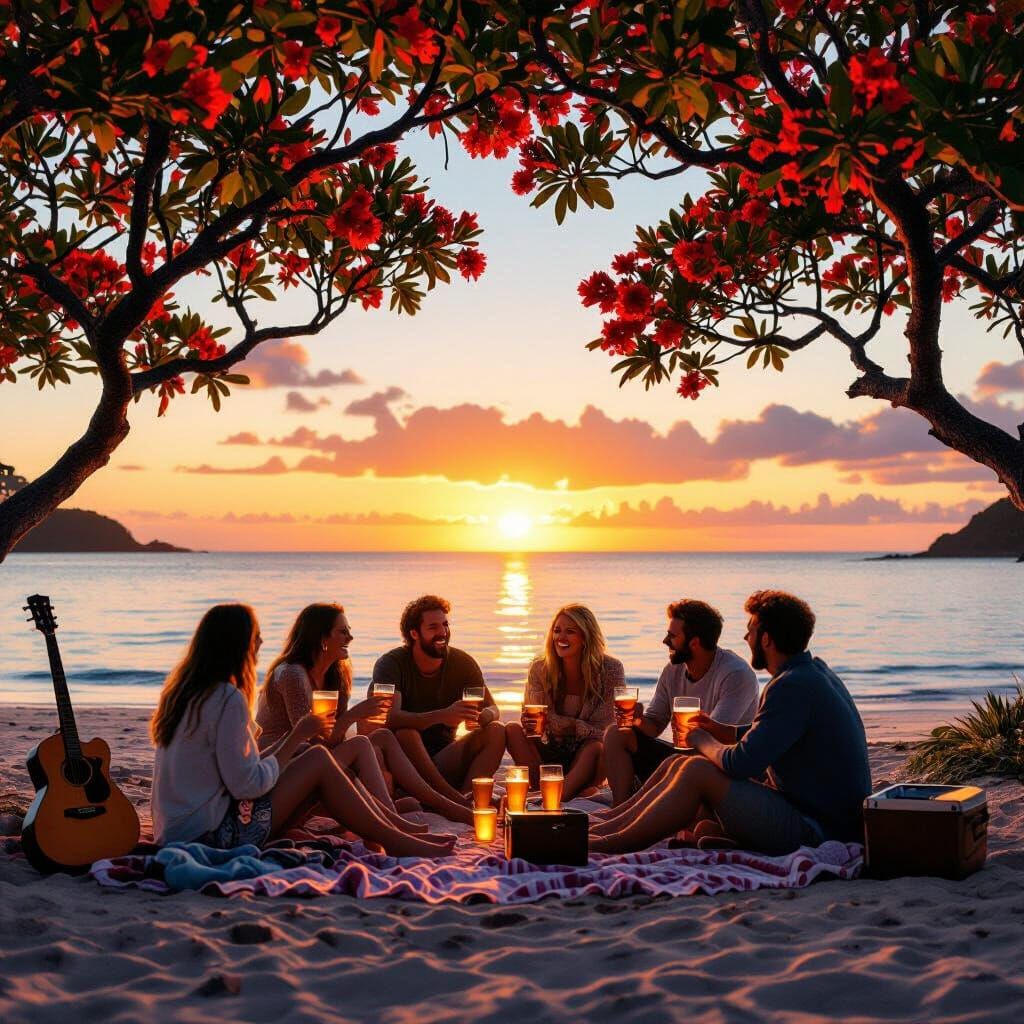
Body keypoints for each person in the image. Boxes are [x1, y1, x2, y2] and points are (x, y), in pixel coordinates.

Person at [150, 603, 455, 858]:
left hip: (177, 829)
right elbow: (247, 786)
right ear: (237, 644)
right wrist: (296, 735)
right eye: (255, 638)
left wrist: (297, 742)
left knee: (315, 753)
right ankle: (396, 840)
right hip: (208, 836)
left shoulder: (186, 693)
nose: (260, 644)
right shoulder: (228, 697)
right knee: (318, 758)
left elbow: (236, 774)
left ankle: (389, 829)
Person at [590, 590, 871, 855]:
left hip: (818, 828)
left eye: (751, 629)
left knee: (697, 769)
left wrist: (700, 738)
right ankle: (607, 827)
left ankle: (608, 844)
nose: (746, 636)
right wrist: (721, 731)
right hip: (823, 815)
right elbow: (774, 733)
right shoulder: (812, 672)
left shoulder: (790, 686)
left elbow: (739, 764)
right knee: (677, 763)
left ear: (766, 639)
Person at [256, 603, 475, 825]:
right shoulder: (293, 675)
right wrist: (353, 715)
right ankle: (398, 819)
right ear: (321, 638)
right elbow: (310, 743)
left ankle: (405, 808)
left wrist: (364, 722)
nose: (350, 638)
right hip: (279, 770)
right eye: (342, 632)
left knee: (382, 737)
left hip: (313, 760)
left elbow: (332, 740)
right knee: (361, 744)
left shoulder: (335, 677)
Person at [602, 599, 758, 806]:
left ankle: (640, 805)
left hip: (714, 768)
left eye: (672, 636)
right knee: (616, 733)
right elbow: (655, 725)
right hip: (680, 758)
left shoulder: (735, 674)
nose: (665, 641)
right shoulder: (673, 670)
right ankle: (621, 805)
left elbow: (710, 742)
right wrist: (638, 721)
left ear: (694, 642)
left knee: (684, 759)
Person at [373, 595, 505, 799]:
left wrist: (482, 716)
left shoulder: (462, 663)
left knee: (497, 730)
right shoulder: (392, 664)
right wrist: (442, 716)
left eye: (445, 625)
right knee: (407, 733)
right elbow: (390, 718)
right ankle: (451, 801)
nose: (443, 632)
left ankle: (466, 796)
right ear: (414, 633)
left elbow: (494, 709)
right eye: (433, 627)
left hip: (443, 760)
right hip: (403, 764)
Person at [505, 604, 621, 797]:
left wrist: (572, 726)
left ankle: (557, 796)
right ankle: (546, 790)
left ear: (585, 637)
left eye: (570, 632)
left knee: (596, 747)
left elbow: (606, 730)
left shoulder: (611, 669)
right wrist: (531, 724)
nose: (560, 638)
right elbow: (535, 719)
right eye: (557, 631)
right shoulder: (539, 668)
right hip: (549, 749)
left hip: (587, 754)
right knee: (511, 729)